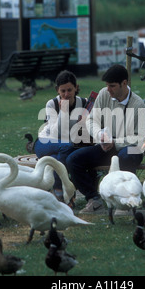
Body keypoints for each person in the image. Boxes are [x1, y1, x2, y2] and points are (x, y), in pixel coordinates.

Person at [66, 64, 145, 213]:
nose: (108, 89)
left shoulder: (138, 104)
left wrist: (114, 142)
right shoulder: (104, 94)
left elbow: (139, 138)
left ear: (124, 83)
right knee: (73, 159)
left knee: (126, 156)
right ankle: (93, 199)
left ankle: (125, 201)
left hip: (129, 148)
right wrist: (100, 135)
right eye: (107, 85)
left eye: (112, 86)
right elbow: (92, 120)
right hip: (105, 146)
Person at [34, 70, 87, 202]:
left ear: (76, 88)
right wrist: (63, 111)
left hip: (65, 147)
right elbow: (56, 133)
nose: (66, 94)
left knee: (56, 157)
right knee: (66, 147)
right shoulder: (52, 104)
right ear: (57, 90)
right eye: (62, 91)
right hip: (45, 143)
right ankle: (60, 188)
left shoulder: (84, 103)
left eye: (69, 90)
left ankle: (62, 193)